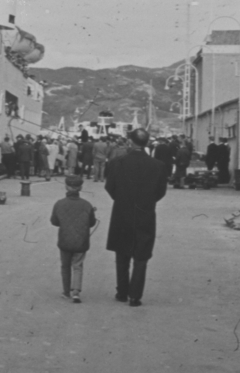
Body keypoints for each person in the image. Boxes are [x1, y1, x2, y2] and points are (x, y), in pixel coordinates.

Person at [104, 128, 168, 306]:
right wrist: (146, 201)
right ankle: (135, 296)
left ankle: (122, 292)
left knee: (122, 254)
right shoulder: (158, 166)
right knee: (141, 256)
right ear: (147, 143)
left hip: (122, 212)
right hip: (145, 213)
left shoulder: (117, 162)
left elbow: (110, 187)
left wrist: (123, 199)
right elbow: (160, 192)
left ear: (130, 142)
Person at [50, 174, 98, 302]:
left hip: (65, 240)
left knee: (65, 266)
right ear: (81, 187)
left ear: (66, 186)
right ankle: (76, 292)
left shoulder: (59, 204)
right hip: (81, 241)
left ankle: (66, 292)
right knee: (78, 265)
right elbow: (92, 223)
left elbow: (54, 222)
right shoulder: (87, 205)